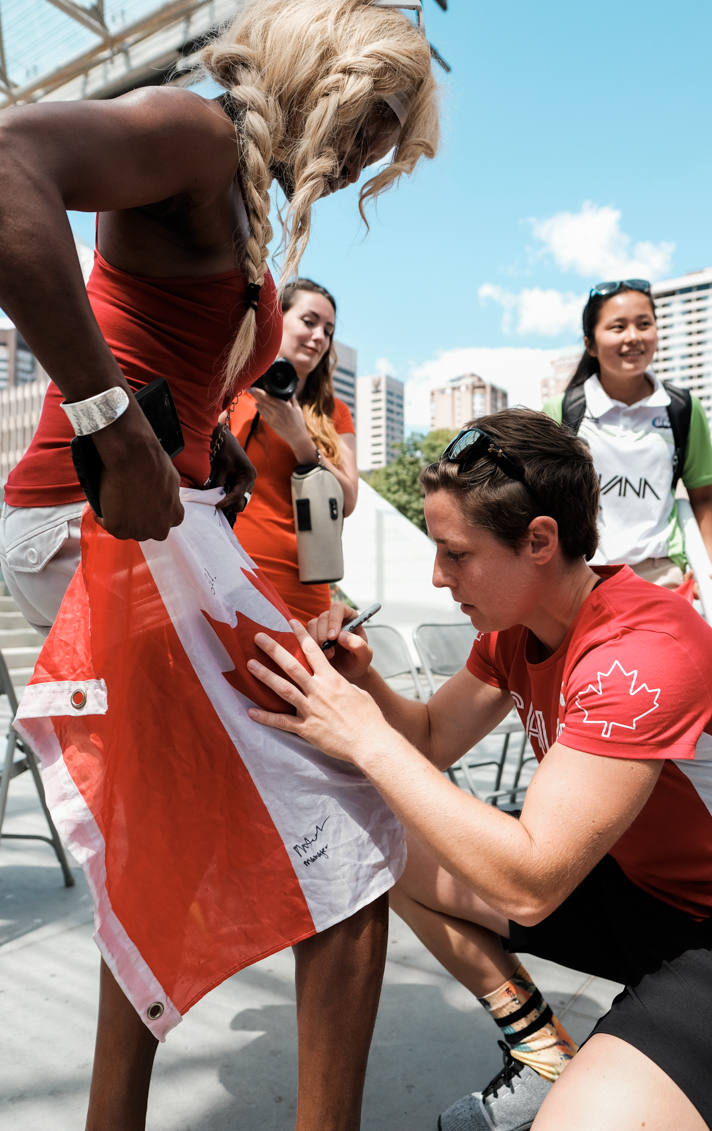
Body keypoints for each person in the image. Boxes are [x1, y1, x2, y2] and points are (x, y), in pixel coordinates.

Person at [0, 2, 439, 1128]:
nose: (362, 159)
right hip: (94, 520)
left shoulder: (238, 206)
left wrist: (219, 445)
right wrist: (114, 423)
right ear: (321, 78)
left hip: (163, 521)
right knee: (352, 829)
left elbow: (181, 354)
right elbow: (8, 163)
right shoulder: (193, 133)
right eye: (369, 123)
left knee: (164, 841)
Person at [247, 408, 712, 1131]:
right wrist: (367, 687)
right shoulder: (516, 629)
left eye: (456, 554)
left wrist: (365, 740)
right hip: (643, 894)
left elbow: (532, 881)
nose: (436, 572)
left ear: (540, 540)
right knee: (377, 837)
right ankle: (542, 1047)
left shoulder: (641, 651)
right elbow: (427, 737)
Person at [543, 280, 712, 590]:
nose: (633, 337)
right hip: (583, 576)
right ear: (590, 344)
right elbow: (542, 500)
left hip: (662, 576)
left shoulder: (683, 408)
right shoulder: (561, 410)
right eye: (617, 327)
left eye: (644, 324)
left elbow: (703, 495)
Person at [230, 278, 358, 623]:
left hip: (303, 585)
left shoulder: (336, 411)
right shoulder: (229, 390)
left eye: (329, 330)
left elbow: (348, 500)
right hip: (223, 574)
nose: (320, 337)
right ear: (276, 318)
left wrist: (302, 442)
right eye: (309, 321)